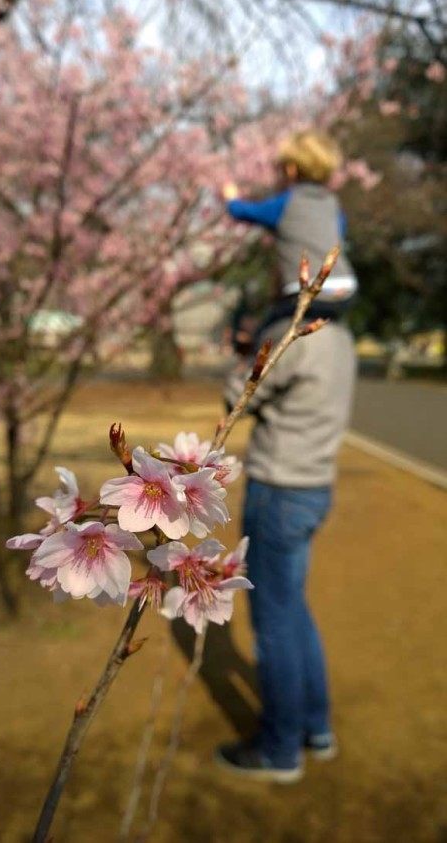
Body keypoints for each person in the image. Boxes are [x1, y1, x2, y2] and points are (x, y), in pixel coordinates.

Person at [216, 313, 356, 782]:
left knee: (273, 622)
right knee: (293, 608)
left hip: (278, 491)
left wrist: (246, 352)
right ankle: (316, 729)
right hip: (316, 487)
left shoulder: (294, 337)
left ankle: (279, 750)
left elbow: (240, 395)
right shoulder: (342, 339)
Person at [223, 129, 358, 343]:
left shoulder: (287, 203)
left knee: (267, 333)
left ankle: (253, 368)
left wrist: (230, 199)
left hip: (306, 290)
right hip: (345, 288)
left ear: (291, 169)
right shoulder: (333, 205)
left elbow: (244, 212)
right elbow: (339, 235)